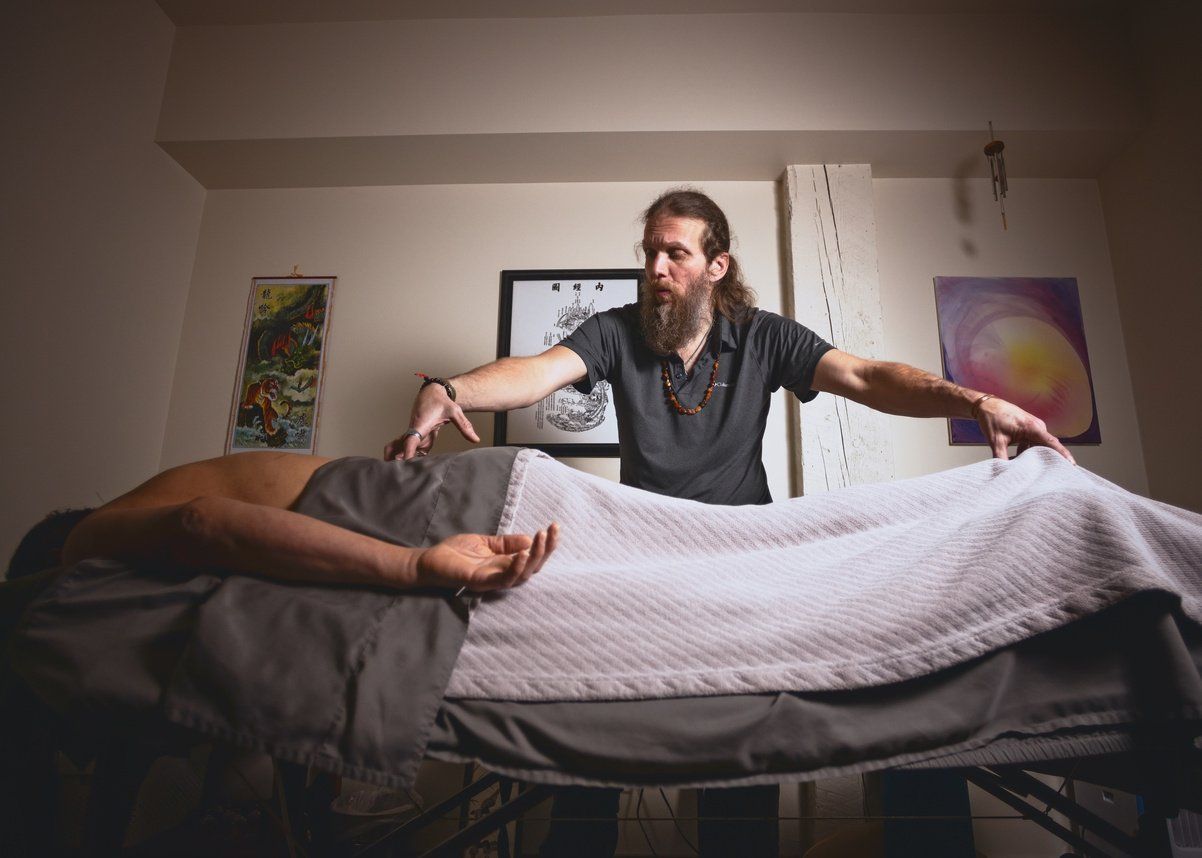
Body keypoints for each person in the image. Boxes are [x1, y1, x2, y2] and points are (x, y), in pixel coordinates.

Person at [383, 188, 1075, 857]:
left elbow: (864, 376)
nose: (656, 267)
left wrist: (973, 398)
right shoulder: (615, 331)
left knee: (742, 760)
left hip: (747, 572)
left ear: (716, 266)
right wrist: (450, 390)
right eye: (650, 252)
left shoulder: (763, 337)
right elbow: (535, 373)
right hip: (643, 567)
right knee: (584, 729)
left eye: (675, 254)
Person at [8, 451, 558, 592]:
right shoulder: (149, 496)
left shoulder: (83, 543)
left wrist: (414, 566)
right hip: (433, 494)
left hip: (409, 506)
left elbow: (201, 523)